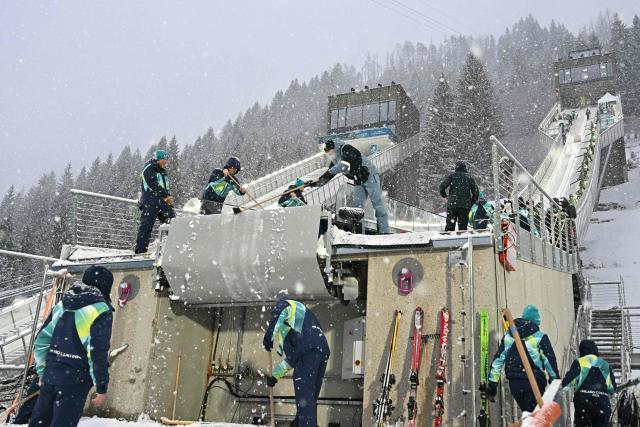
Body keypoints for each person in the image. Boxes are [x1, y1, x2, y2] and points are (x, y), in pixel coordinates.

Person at [29, 266, 114, 427]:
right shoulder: (100, 310)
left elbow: (41, 340)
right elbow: (96, 352)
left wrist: (42, 371)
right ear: (106, 286)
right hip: (75, 380)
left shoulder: (63, 304)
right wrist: (101, 387)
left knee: (40, 423)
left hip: (51, 375)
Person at [263, 299, 330, 427]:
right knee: (308, 401)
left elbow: (280, 308)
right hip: (321, 352)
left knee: (305, 400)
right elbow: (293, 359)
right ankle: (299, 424)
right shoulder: (294, 329)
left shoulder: (291, 309)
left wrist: (269, 336)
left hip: (308, 351)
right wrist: (275, 375)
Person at [483, 305, 559, 412]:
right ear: (536, 322)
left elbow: (498, 360)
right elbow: (549, 360)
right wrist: (554, 379)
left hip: (515, 384)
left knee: (529, 415)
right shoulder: (540, 337)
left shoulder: (509, 336)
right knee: (534, 416)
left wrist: (492, 383)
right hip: (534, 381)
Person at [309, 139, 389, 234]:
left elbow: (343, 166)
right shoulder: (335, 160)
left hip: (370, 176)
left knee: (377, 203)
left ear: (334, 148)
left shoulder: (346, 149)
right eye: (326, 151)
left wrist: (328, 173)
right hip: (358, 180)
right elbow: (329, 175)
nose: (328, 153)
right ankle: (357, 231)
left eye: (329, 150)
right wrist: (316, 183)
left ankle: (384, 231)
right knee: (356, 207)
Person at [562, 339, 616, 426]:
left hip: (584, 404)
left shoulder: (579, 362)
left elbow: (567, 384)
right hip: (602, 405)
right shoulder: (605, 365)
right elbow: (612, 389)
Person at [134, 150, 175, 254]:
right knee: (146, 227)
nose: (165, 162)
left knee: (172, 223)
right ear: (157, 159)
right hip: (150, 201)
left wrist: (168, 199)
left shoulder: (163, 171)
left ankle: (170, 249)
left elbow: (165, 186)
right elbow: (153, 184)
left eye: (166, 160)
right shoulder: (149, 168)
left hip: (162, 202)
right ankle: (140, 251)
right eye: (163, 159)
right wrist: (166, 195)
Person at [439, 161, 479, 231]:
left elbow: (442, 187)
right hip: (464, 206)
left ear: (456, 167)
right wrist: (470, 203)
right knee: (463, 229)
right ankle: (462, 241)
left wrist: (444, 195)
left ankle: (448, 240)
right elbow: (476, 192)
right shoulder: (469, 178)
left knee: (449, 228)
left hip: (452, 206)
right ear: (465, 168)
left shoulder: (452, 176)